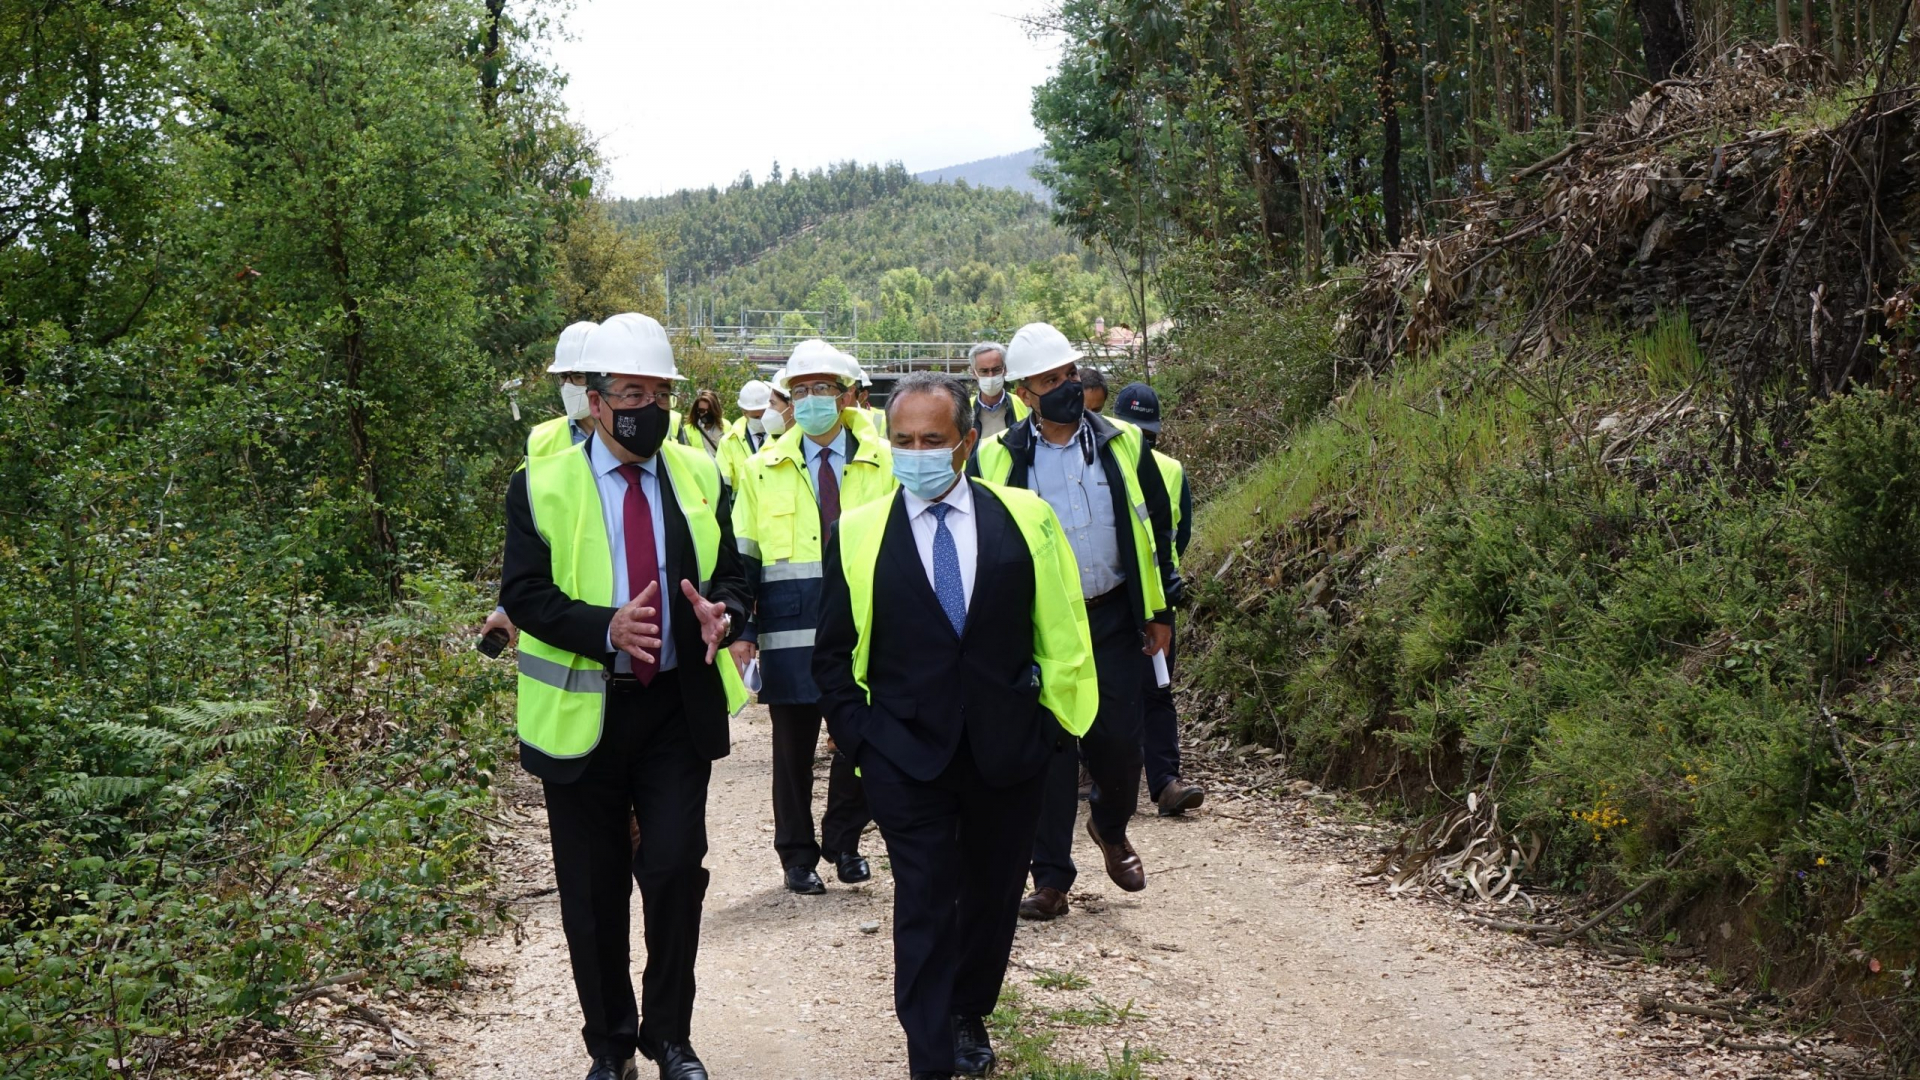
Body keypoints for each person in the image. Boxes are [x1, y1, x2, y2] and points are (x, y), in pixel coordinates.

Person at [814, 372, 1097, 1080]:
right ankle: (930, 1054)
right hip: (905, 756)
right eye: (903, 440)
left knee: (993, 893)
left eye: (932, 440)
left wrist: (1053, 731)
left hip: (1008, 751)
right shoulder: (856, 532)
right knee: (925, 901)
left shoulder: (1024, 519)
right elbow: (832, 654)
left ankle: (970, 1008)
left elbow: (1063, 632)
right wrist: (862, 739)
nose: (916, 454)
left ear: (966, 442)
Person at [499, 312, 750, 1080]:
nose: (648, 407)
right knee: (593, 889)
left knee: (675, 870)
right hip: (583, 713)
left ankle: (669, 1037)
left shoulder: (701, 475)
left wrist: (726, 612)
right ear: (597, 401)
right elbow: (525, 595)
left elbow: (734, 574)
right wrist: (604, 628)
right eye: (631, 392)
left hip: (675, 706)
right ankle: (611, 1046)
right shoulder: (539, 484)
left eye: (659, 392)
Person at [968, 322, 1182, 922]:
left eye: (1069, 376)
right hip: (1042, 625)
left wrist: (1159, 611)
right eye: (1050, 380)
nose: (1065, 387)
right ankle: (1051, 878)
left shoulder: (1124, 445)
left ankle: (1110, 826)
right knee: (1050, 752)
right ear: (1025, 392)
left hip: (1113, 614)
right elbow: (984, 540)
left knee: (1119, 742)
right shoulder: (998, 457)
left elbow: (1155, 534)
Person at [731, 341, 891, 894]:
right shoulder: (760, 469)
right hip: (790, 627)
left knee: (858, 742)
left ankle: (844, 842)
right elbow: (743, 557)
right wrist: (744, 632)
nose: (811, 399)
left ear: (847, 396)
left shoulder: (885, 459)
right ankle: (796, 855)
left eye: (823, 388)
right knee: (792, 751)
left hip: (865, 627)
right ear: (788, 402)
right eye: (800, 391)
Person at [1111, 382, 1204, 816]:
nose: (1139, 442)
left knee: (1157, 688)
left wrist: (1160, 586)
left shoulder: (1171, 470)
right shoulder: (1095, 464)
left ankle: (1166, 782)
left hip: (1154, 598)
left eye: (1145, 435)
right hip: (1105, 596)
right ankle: (1101, 777)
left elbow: (1176, 536)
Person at [482, 319, 600, 647]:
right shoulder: (541, 440)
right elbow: (525, 535)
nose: (567, 386)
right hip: (552, 609)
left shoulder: (644, 436)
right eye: (562, 377)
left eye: (576, 377)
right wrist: (508, 606)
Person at [715, 379, 774, 491]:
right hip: (744, 506)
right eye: (756, 417)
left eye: (764, 414)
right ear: (744, 412)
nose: (762, 420)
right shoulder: (728, 442)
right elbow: (723, 484)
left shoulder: (783, 435)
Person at [966, 341, 1028, 438]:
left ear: (1005, 370)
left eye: (996, 369)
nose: (991, 376)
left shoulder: (1023, 403)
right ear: (974, 373)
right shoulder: (965, 409)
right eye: (984, 371)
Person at [685, 390, 726, 460]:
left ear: (715, 409)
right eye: (702, 411)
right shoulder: (688, 430)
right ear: (697, 411)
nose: (706, 414)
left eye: (710, 410)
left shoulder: (726, 426)